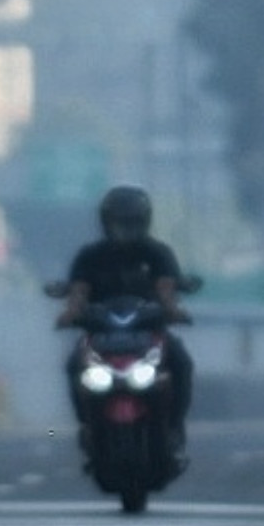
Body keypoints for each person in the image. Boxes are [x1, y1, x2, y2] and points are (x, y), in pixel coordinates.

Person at [56, 185, 195, 449]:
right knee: (74, 364)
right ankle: (87, 424)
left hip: (148, 334)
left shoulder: (158, 253)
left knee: (180, 362)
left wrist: (173, 310)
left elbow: (166, 288)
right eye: (120, 223)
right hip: (102, 335)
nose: (126, 229)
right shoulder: (90, 256)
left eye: (132, 223)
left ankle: (174, 425)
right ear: (106, 222)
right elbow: (78, 291)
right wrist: (71, 313)